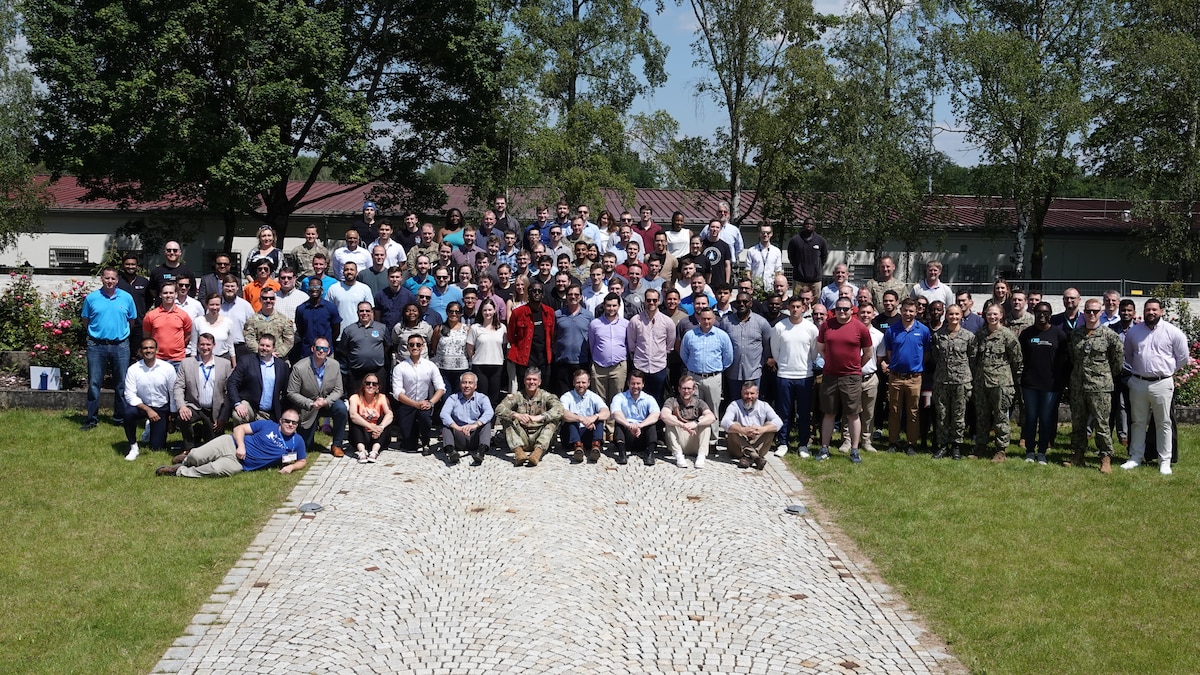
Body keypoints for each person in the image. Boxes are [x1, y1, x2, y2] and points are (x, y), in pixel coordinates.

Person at [1122, 298, 1189, 474]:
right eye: (1147, 310)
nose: (1151, 313)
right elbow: (1128, 355)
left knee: (1163, 423)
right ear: (1143, 312)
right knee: (1137, 421)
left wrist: (1166, 371)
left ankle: (1164, 461)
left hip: (1162, 383)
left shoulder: (1173, 332)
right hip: (1138, 382)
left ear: (1161, 312)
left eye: (1154, 310)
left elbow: (1182, 357)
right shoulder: (1133, 332)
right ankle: (1135, 457)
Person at [1067, 298, 1125, 473]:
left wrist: (1103, 376)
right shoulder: (1076, 335)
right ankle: (1078, 455)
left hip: (1100, 387)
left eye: (1095, 311)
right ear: (1084, 313)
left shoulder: (1109, 336)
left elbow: (1117, 362)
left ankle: (1105, 457)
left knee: (1102, 424)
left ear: (1101, 312)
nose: (1091, 314)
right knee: (1078, 423)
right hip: (1078, 386)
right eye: (1088, 311)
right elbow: (1072, 357)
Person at [155, 412, 307, 478]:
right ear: (281, 421)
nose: (290, 424)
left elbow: (302, 460)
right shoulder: (267, 424)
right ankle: (187, 459)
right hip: (230, 443)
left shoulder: (297, 441)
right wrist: (241, 446)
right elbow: (239, 428)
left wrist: (291, 467)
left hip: (240, 463)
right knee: (197, 455)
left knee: (216, 469)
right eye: (287, 421)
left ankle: (179, 471)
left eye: (294, 422)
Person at [815, 298, 872, 463]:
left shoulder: (860, 328)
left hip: (851, 377)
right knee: (828, 413)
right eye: (839, 309)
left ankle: (854, 450)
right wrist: (830, 362)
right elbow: (821, 348)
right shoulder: (827, 325)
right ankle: (824, 448)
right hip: (830, 376)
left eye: (846, 309)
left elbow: (868, 352)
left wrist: (855, 367)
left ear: (851, 310)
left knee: (853, 414)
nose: (842, 312)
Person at [81, 267, 138, 431]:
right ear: (102, 279)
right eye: (107, 278)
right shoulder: (92, 298)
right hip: (96, 345)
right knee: (94, 383)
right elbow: (86, 320)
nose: (110, 281)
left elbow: (131, 320)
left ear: (117, 280)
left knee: (121, 384)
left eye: (113, 278)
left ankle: (119, 417)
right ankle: (91, 418)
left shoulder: (126, 298)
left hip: (120, 345)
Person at [1018, 302, 1069, 463]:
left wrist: (1060, 381)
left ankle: (1042, 452)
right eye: (1039, 312)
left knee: (1046, 418)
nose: (1042, 315)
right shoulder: (1026, 334)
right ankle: (1030, 451)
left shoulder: (1059, 335)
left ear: (1050, 314)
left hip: (1050, 385)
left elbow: (1064, 361)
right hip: (1030, 383)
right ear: (1034, 313)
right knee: (1031, 417)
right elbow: (1022, 357)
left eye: (1045, 313)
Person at [768, 296, 819, 458]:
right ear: (788, 308)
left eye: (798, 306)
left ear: (804, 308)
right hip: (784, 375)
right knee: (783, 411)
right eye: (793, 306)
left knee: (804, 412)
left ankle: (803, 444)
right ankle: (783, 442)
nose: (795, 309)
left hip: (805, 375)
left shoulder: (811, 329)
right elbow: (775, 351)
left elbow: (814, 352)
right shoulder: (779, 327)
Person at [971, 305, 1022, 461]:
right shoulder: (980, 335)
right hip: (982, 383)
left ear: (1001, 315)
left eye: (995, 314)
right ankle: (980, 446)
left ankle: (1000, 450)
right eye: (988, 314)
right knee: (981, 416)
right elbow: (974, 359)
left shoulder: (1008, 336)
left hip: (1001, 384)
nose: (991, 317)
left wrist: (1008, 379)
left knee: (1001, 417)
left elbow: (1017, 360)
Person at [882, 298, 932, 454]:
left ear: (916, 312)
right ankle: (893, 442)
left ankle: (911, 443)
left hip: (914, 378)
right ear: (900, 310)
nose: (908, 314)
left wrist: (914, 367)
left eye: (911, 311)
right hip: (895, 377)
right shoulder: (892, 330)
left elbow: (926, 353)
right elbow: (890, 353)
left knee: (913, 411)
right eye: (905, 310)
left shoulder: (923, 330)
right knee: (894, 411)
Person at [286, 337, 349, 457]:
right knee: (306, 446)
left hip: (327, 403)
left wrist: (326, 401)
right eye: (319, 348)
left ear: (328, 351)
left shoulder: (335, 365)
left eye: (325, 349)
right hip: (308, 406)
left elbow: (338, 390)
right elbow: (291, 392)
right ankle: (309, 439)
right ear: (313, 349)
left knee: (341, 409)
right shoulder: (299, 367)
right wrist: (310, 403)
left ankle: (337, 445)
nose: (321, 351)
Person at [172, 332, 232, 456]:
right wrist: (182, 406)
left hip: (214, 409)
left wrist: (223, 417)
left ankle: (199, 431)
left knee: (213, 445)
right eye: (202, 344)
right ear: (198, 345)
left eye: (208, 344)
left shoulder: (224, 364)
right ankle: (188, 447)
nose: (205, 347)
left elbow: (229, 392)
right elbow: (178, 387)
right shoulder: (186, 363)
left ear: (214, 345)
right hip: (194, 406)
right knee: (182, 417)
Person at [679, 307, 734, 436]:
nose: (706, 321)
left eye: (709, 319)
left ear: (714, 319)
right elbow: (684, 354)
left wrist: (717, 370)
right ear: (699, 319)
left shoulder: (722, 336)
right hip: (694, 377)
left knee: (713, 408)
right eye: (703, 318)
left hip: (713, 378)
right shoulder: (690, 335)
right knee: (694, 409)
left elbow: (728, 357)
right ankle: (696, 437)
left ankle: (713, 439)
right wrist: (694, 367)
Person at [496, 367, 564, 467]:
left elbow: (560, 409)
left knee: (553, 421)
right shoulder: (517, 396)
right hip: (522, 436)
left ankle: (537, 452)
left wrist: (541, 417)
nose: (531, 382)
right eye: (528, 379)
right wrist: (516, 415)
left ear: (539, 382)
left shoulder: (546, 396)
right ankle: (518, 452)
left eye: (534, 379)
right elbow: (499, 409)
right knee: (507, 419)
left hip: (540, 435)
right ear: (524, 381)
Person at [121, 338, 177, 460]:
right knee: (127, 413)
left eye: (151, 347)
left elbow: (173, 393)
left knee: (157, 448)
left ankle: (150, 427)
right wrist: (147, 410)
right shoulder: (134, 369)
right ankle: (133, 446)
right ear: (141, 351)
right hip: (142, 406)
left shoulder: (167, 368)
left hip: (161, 407)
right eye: (145, 348)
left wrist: (172, 419)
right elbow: (130, 395)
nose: (148, 350)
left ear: (157, 350)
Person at [390, 334, 446, 456]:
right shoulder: (400, 367)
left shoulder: (430, 365)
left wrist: (430, 403)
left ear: (423, 347)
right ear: (407, 347)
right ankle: (409, 439)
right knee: (409, 446)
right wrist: (415, 404)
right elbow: (397, 393)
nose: (415, 347)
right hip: (407, 403)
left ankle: (426, 442)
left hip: (424, 402)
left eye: (418, 345)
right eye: (412, 345)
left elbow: (441, 388)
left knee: (425, 418)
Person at [720, 291, 774, 414]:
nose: (742, 304)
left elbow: (767, 344)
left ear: (751, 303)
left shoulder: (761, 322)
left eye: (745, 301)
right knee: (735, 405)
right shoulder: (726, 322)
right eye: (739, 302)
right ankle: (737, 430)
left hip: (753, 372)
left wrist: (764, 360)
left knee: (753, 404)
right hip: (733, 372)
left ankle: (752, 429)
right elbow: (722, 345)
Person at [931, 304, 973, 460]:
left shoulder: (969, 336)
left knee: (958, 415)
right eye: (950, 314)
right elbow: (936, 356)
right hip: (942, 381)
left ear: (961, 315)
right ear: (946, 316)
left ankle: (956, 446)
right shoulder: (938, 335)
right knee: (941, 415)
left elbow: (972, 358)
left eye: (956, 314)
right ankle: (943, 445)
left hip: (961, 381)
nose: (953, 317)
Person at [589, 293, 629, 436]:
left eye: (614, 305)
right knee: (599, 399)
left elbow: (627, 344)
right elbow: (591, 344)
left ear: (619, 306)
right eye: (608, 305)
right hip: (599, 366)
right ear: (604, 306)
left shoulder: (626, 324)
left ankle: (611, 430)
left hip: (618, 366)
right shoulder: (595, 324)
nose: (611, 308)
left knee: (616, 398)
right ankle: (601, 428)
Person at [228, 334, 291, 424]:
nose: (264, 348)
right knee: (238, 416)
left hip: (271, 411)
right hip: (250, 406)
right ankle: (240, 437)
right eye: (262, 345)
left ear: (273, 348)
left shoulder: (282, 366)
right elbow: (232, 382)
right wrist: (237, 404)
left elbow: (286, 391)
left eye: (268, 346)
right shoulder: (246, 361)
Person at [626, 288, 674, 402]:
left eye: (654, 300)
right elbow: (632, 344)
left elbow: (669, 345)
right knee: (639, 399)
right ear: (644, 301)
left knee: (658, 400)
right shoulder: (635, 321)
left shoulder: (667, 322)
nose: (651, 303)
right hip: (640, 367)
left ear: (659, 301)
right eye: (648, 300)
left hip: (659, 367)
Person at [721, 382, 783, 470]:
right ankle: (755, 457)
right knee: (735, 426)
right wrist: (742, 430)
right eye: (746, 393)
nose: (749, 396)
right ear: (742, 393)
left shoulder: (764, 406)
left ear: (757, 394)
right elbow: (724, 422)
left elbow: (779, 422)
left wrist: (762, 429)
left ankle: (748, 458)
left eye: (752, 393)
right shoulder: (734, 405)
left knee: (770, 425)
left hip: (758, 441)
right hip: (737, 448)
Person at [660, 375, 718, 469]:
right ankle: (678, 455)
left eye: (689, 388)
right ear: (679, 389)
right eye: (684, 388)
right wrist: (682, 425)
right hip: (678, 439)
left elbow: (712, 417)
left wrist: (695, 423)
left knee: (705, 421)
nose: (686, 391)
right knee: (670, 420)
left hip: (694, 439)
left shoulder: (699, 402)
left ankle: (701, 455)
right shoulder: (672, 401)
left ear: (694, 389)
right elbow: (664, 415)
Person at [440, 371, 494, 466]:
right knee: (446, 425)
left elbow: (489, 412)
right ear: (460, 385)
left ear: (475, 386)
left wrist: (475, 425)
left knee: (486, 423)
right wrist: (457, 427)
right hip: (459, 434)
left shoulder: (482, 398)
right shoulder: (453, 398)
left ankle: (481, 452)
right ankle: (451, 452)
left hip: (475, 436)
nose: (467, 385)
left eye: (470, 383)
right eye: (464, 382)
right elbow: (444, 414)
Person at [507, 282, 555, 387]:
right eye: (533, 291)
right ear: (528, 293)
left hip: (544, 359)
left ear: (543, 295)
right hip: (525, 360)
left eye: (539, 291)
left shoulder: (549, 312)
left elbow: (552, 335)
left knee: (543, 391)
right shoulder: (518, 313)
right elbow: (511, 335)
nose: (536, 293)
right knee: (524, 391)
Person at [610, 370, 661, 466]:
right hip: (626, 434)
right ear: (628, 383)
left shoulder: (649, 398)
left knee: (652, 425)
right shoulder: (619, 397)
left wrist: (640, 425)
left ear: (643, 385)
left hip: (642, 435)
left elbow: (656, 414)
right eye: (633, 383)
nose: (635, 386)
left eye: (638, 383)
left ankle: (650, 454)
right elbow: (615, 413)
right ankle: (622, 454)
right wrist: (628, 425)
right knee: (618, 423)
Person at [559, 369, 609, 463]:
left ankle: (596, 446)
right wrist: (580, 419)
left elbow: (606, 412)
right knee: (571, 418)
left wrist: (594, 417)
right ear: (573, 383)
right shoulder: (566, 396)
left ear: (589, 383)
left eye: (583, 382)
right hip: (570, 436)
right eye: (578, 382)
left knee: (599, 419)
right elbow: (563, 414)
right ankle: (577, 447)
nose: (581, 385)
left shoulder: (594, 396)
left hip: (588, 434)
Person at [551, 285, 591, 395]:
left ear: (581, 297)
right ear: (566, 297)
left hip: (581, 361)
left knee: (580, 394)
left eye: (576, 294)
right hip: (562, 362)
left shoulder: (588, 315)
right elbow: (553, 336)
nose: (573, 297)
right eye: (570, 294)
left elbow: (591, 338)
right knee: (563, 395)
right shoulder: (558, 314)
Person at [466, 299, 508, 403]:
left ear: (494, 311)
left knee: (494, 397)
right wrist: (474, 358)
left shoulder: (502, 328)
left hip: (497, 365)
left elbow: (503, 346)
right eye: (485, 310)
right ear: (481, 311)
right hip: (480, 366)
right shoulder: (475, 328)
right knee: (482, 396)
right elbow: (470, 348)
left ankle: (492, 418)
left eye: (490, 310)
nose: (487, 313)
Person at [143, 281, 192, 365]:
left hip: (178, 359)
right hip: (157, 359)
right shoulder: (151, 315)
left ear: (176, 294)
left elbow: (187, 336)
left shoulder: (183, 315)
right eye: (165, 293)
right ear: (160, 295)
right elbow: (147, 337)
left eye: (171, 293)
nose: (168, 295)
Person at [348, 375, 393, 463]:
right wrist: (371, 426)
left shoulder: (382, 397)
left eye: (374, 384)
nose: (371, 386)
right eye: (368, 383)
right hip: (361, 435)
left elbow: (390, 414)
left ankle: (374, 451)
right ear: (363, 385)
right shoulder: (354, 397)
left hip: (377, 435)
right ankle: (362, 451)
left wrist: (380, 428)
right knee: (355, 419)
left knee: (384, 419)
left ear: (378, 387)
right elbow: (353, 415)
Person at [295, 277, 342, 360]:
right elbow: (301, 330)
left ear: (322, 289)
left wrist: (326, 342)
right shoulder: (301, 309)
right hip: (307, 351)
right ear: (308, 289)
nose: (314, 290)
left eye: (317, 287)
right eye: (311, 287)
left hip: (326, 352)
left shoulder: (331, 308)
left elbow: (336, 330)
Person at [430, 301, 471, 395]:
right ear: (447, 312)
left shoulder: (466, 329)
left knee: (459, 397)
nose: (453, 314)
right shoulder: (439, 329)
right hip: (443, 369)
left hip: (461, 369)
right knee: (445, 397)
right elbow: (434, 346)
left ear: (461, 314)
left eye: (457, 312)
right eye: (451, 311)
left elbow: (469, 347)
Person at [243, 288, 296, 360]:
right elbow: (249, 339)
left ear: (275, 300)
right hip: (258, 358)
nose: (268, 301)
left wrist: (276, 354)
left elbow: (289, 341)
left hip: (279, 359)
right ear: (260, 300)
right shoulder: (252, 320)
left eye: (271, 298)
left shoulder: (284, 320)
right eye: (265, 298)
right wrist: (262, 352)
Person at [147, 240, 195, 309]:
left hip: (182, 311)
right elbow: (152, 291)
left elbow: (192, 291)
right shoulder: (156, 272)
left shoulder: (187, 272)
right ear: (164, 252)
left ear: (180, 252)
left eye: (175, 250)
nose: (172, 253)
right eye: (169, 250)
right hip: (162, 311)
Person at [325, 261, 374, 327]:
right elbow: (327, 310)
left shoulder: (365, 288)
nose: (349, 272)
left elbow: (370, 312)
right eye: (346, 270)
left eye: (352, 269)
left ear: (356, 272)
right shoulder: (333, 288)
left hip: (360, 330)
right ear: (343, 272)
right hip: (339, 331)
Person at [786, 217, 828, 286]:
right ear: (803, 226)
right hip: (799, 280)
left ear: (814, 227)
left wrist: (817, 268)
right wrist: (798, 267)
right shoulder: (795, 240)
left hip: (815, 281)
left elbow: (824, 256)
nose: (809, 226)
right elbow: (791, 256)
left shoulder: (821, 240)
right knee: (797, 297)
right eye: (807, 224)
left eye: (811, 224)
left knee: (816, 297)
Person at [745, 223, 782, 288]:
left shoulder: (776, 251)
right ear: (759, 234)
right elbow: (748, 270)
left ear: (771, 234)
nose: (765, 235)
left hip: (771, 286)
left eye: (768, 233)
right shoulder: (751, 251)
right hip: (756, 286)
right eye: (763, 232)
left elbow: (778, 271)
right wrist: (750, 285)